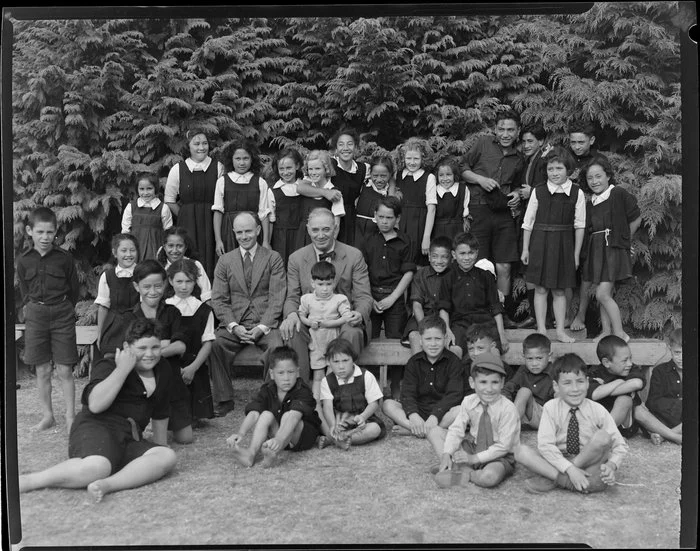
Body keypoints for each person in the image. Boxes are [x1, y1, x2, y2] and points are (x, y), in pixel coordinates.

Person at [18, 318, 177, 502]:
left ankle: (108, 484)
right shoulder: (108, 364)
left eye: (155, 347)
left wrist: (158, 445)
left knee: (166, 456)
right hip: (95, 427)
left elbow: (161, 411)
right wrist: (122, 370)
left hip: (128, 436)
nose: (150, 354)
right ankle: (32, 480)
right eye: (142, 348)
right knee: (98, 467)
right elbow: (95, 405)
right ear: (127, 346)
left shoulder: (163, 368)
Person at [280, 208, 373, 382]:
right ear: (308, 229)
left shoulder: (354, 255)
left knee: (352, 332)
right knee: (293, 330)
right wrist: (292, 315)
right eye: (315, 230)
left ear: (336, 228)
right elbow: (292, 296)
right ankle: (302, 392)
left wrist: (358, 313)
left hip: (344, 320)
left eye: (326, 229)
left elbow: (364, 296)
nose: (320, 235)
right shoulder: (296, 258)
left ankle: (342, 390)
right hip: (311, 321)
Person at [515, 353, 628, 494]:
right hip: (558, 458)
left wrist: (612, 465)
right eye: (567, 383)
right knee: (520, 452)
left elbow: (619, 444)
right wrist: (570, 469)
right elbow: (546, 445)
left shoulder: (597, 409)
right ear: (556, 386)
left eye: (580, 381)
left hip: (588, 460)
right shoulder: (551, 407)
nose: (575, 389)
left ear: (587, 382)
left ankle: (554, 477)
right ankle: (567, 480)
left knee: (603, 437)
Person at [209, 212, 286, 418]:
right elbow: (219, 299)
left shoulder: (273, 258)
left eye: (248, 231)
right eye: (240, 232)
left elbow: (277, 297)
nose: (244, 236)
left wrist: (262, 327)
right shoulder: (225, 261)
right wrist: (234, 326)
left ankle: (270, 397)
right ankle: (224, 399)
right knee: (215, 344)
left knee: (277, 346)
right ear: (234, 233)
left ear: (258, 230)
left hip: (264, 322)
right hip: (236, 323)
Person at [16, 206, 80, 432]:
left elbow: (74, 289)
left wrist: (65, 308)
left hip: (62, 313)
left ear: (56, 233)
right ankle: (47, 416)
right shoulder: (23, 260)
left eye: (50, 232)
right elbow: (25, 290)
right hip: (36, 315)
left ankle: (71, 416)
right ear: (29, 231)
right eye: (40, 232)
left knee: (64, 369)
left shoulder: (64, 258)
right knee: (42, 369)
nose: (45, 237)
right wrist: (33, 308)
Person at [460, 109, 525, 324]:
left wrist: (516, 194)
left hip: (503, 212)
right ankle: (478, 311)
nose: (505, 134)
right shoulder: (483, 143)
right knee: (479, 263)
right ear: (495, 130)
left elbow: (518, 186)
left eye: (510, 130)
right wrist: (480, 179)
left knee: (504, 265)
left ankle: (502, 313)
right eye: (501, 129)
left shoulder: (519, 157)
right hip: (478, 208)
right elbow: (462, 168)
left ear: (517, 132)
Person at [521, 146, 586, 343]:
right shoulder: (538, 191)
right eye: (551, 169)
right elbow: (528, 222)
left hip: (564, 244)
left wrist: (575, 254)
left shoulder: (577, 193)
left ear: (569, 170)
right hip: (540, 242)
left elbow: (580, 225)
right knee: (540, 288)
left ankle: (559, 331)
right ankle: (541, 329)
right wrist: (525, 248)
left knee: (559, 290)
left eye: (559, 169)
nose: (554, 173)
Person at [574, 155, 642, 341]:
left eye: (598, 176)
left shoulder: (618, 193)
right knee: (603, 293)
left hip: (613, 249)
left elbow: (636, 218)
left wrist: (624, 241)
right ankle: (606, 331)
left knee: (602, 293)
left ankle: (620, 333)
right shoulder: (591, 202)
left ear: (608, 176)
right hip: (597, 252)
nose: (594, 181)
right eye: (590, 178)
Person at [433, 353, 520, 489]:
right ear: (472, 383)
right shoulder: (468, 401)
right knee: (435, 432)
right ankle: (451, 464)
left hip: (499, 456)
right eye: (483, 382)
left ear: (502, 382)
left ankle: (464, 473)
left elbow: (504, 446)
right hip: (473, 448)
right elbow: (456, 429)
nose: (489, 389)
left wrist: (473, 459)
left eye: (495, 382)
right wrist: (446, 453)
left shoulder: (508, 409)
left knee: (489, 477)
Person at [226, 346, 321, 467]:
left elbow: (294, 417)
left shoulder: (303, 390)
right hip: (278, 437)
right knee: (265, 415)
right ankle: (250, 454)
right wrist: (240, 433)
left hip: (301, 437)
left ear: (297, 372)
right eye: (281, 373)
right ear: (272, 374)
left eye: (290, 372)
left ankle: (273, 452)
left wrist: (279, 440)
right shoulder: (268, 389)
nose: (286, 378)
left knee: (288, 414)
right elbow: (254, 413)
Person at [383, 317, 463, 459]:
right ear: (421, 340)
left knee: (461, 410)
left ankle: (412, 430)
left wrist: (435, 416)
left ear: (445, 339)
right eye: (428, 339)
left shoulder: (454, 362)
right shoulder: (414, 362)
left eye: (437, 339)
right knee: (388, 404)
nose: (433, 344)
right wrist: (413, 415)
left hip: (443, 414)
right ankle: (421, 428)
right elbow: (407, 394)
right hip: (419, 412)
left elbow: (454, 395)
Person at [360, 196, 416, 397]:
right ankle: (369, 385)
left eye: (389, 218)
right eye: (380, 216)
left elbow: (408, 273)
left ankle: (396, 387)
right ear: (375, 216)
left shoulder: (405, 241)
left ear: (397, 219)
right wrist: (369, 298)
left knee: (396, 340)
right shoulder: (367, 240)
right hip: (371, 296)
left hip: (394, 296)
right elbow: (361, 271)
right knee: (368, 339)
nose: (384, 221)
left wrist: (393, 298)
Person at [129, 260, 191, 444]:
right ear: (136, 286)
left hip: (170, 381)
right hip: (139, 384)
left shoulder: (172, 312)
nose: (153, 291)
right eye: (146, 286)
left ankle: (160, 427)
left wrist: (147, 351)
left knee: (186, 438)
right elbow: (129, 353)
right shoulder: (129, 316)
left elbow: (180, 347)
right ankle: (146, 425)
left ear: (165, 284)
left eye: (158, 285)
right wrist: (163, 345)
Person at [437, 232, 509, 359]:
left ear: (476, 253)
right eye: (462, 253)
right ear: (454, 254)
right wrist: (447, 330)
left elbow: (495, 307)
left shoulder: (486, 276)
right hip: (460, 323)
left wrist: (502, 334)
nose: (467, 258)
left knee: (494, 353)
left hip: (485, 323)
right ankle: (458, 379)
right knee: (454, 351)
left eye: (471, 253)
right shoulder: (448, 278)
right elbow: (444, 307)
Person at [165, 129, 225, 278]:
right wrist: (186, 214)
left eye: (204, 143)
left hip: (211, 221)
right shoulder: (178, 169)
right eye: (196, 143)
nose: (201, 147)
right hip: (187, 223)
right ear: (188, 146)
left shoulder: (218, 167)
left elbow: (222, 197)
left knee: (211, 255)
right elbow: (170, 200)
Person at [165, 259, 216, 427]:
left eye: (189, 281)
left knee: (190, 421)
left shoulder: (203, 309)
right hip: (169, 365)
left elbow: (207, 343)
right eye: (179, 281)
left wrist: (193, 368)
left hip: (195, 365)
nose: (184, 286)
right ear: (171, 281)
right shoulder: (165, 307)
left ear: (195, 282)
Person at [298, 261, 354, 401]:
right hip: (316, 343)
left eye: (328, 284)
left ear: (334, 283)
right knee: (318, 375)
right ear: (312, 283)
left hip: (332, 342)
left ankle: (330, 400)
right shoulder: (307, 299)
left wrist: (329, 323)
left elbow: (346, 317)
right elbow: (301, 315)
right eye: (320, 284)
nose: (324, 289)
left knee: (331, 374)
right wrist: (309, 322)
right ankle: (316, 402)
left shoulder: (339, 299)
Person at [516, 123, 553, 329]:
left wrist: (533, 191)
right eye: (524, 142)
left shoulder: (545, 160)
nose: (526, 145)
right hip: (527, 219)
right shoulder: (529, 160)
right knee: (528, 269)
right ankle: (534, 313)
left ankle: (544, 318)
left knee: (537, 269)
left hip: (541, 223)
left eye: (531, 141)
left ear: (541, 141)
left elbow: (555, 182)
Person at [318, 338, 386, 449]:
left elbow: (374, 403)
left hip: (361, 421)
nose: (341, 366)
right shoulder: (327, 381)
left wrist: (363, 417)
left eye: (345, 360)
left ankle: (333, 439)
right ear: (328, 362)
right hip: (339, 422)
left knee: (375, 429)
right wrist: (333, 425)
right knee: (318, 414)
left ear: (353, 359)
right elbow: (327, 407)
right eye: (336, 362)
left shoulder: (366, 376)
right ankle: (337, 437)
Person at [213, 139, 271, 255]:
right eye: (238, 159)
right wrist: (218, 240)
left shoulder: (260, 182)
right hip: (229, 232)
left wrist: (265, 241)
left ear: (252, 159)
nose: (242, 163)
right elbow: (218, 212)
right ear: (231, 160)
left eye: (246, 158)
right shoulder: (222, 181)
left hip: (253, 233)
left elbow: (264, 214)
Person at [403, 235, 453, 355]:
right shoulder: (420, 274)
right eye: (435, 256)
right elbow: (417, 305)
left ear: (451, 258)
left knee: (448, 341)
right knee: (415, 336)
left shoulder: (453, 275)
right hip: (423, 316)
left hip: (447, 318)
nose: (439, 261)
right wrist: (423, 327)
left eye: (444, 257)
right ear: (429, 257)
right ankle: (420, 370)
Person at [587, 335, 646, 435]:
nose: (630, 363)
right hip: (599, 423)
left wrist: (605, 388)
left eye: (630, 358)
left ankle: (603, 436)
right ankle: (606, 436)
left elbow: (637, 383)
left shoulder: (631, 369)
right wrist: (619, 382)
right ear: (606, 362)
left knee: (627, 401)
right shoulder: (594, 373)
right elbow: (594, 394)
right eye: (624, 360)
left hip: (626, 425)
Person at [95, 234, 141, 358]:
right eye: (124, 250)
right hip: (114, 326)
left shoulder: (142, 273)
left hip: (137, 325)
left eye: (132, 250)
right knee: (110, 358)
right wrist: (100, 334)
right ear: (115, 253)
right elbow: (103, 307)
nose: (129, 254)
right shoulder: (108, 276)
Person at [634, 328, 682, 445]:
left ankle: (665, 435)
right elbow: (653, 401)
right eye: (677, 352)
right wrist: (679, 404)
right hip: (665, 417)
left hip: (685, 418)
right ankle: (674, 433)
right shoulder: (660, 371)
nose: (682, 357)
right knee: (645, 416)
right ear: (670, 349)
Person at [326, 128, 370, 246]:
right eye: (341, 144)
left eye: (350, 144)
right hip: (330, 214)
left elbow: (387, 175)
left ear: (355, 148)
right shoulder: (329, 165)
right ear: (336, 149)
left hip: (351, 217)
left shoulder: (363, 169)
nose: (345, 148)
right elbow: (305, 185)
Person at [396, 137, 437, 264]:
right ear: (403, 158)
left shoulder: (428, 177)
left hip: (419, 226)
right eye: (409, 158)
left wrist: (426, 237)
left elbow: (431, 209)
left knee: (416, 263)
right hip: (399, 225)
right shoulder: (397, 175)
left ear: (422, 159)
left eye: (416, 159)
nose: (412, 162)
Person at [502, 333, 555, 429]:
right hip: (524, 415)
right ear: (523, 356)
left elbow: (558, 398)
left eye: (539, 358)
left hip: (546, 418)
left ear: (549, 356)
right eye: (530, 359)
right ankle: (508, 426)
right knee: (510, 395)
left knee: (524, 391)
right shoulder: (523, 370)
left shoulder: (554, 373)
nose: (534, 363)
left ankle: (509, 429)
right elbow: (509, 387)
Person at [296, 150, 345, 249]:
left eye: (317, 169)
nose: (313, 173)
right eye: (310, 169)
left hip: (323, 239)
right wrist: (324, 192)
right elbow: (300, 188)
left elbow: (336, 225)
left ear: (326, 169)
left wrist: (330, 248)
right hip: (303, 237)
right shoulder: (306, 186)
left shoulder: (334, 192)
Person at [121, 173, 173, 261]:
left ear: (155, 189)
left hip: (156, 249)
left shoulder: (163, 208)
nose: (145, 193)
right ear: (137, 189)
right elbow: (125, 231)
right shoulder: (131, 207)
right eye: (141, 189)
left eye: (149, 189)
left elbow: (168, 232)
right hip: (135, 250)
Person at [268, 147, 305, 264]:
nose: (285, 172)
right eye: (281, 169)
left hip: (301, 235)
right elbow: (270, 219)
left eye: (289, 168)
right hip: (280, 237)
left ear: (297, 166)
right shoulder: (273, 191)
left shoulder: (306, 187)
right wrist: (267, 242)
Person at [156, 227, 212, 302]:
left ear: (185, 247)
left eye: (179, 246)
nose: (175, 250)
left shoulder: (196, 265)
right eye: (170, 246)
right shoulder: (158, 268)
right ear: (164, 247)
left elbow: (206, 295)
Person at [353, 154, 393, 247]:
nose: (379, 180)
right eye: (375, 175)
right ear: (370, 173)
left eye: (383, 176)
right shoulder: (365, 185)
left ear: (390, 175)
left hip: (377, 234)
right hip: (358, 231)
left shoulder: (390, 192)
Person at [432, 156, 470, 242]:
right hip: (438, 231)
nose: (445, 179)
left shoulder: (462, 189)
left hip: (458, 231)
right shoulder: (434, 190)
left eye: (448, 175)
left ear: (455, 175)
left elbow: (466, 211)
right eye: (441, 175)